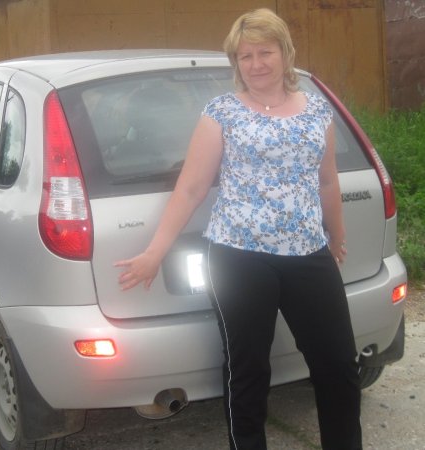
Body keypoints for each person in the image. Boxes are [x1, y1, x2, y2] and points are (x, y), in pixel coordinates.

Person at [115, 8, 362, 450]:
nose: (255, 64)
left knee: (339, 365)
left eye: (264, 52)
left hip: (308, 252)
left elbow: (327, 181)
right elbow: (191, 188)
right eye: (245, 56)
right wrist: (155, 251)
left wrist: (336, 236)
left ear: (285, 53)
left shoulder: (317, 110)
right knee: (248, 370)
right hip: (239, 257)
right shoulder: (222, 113)